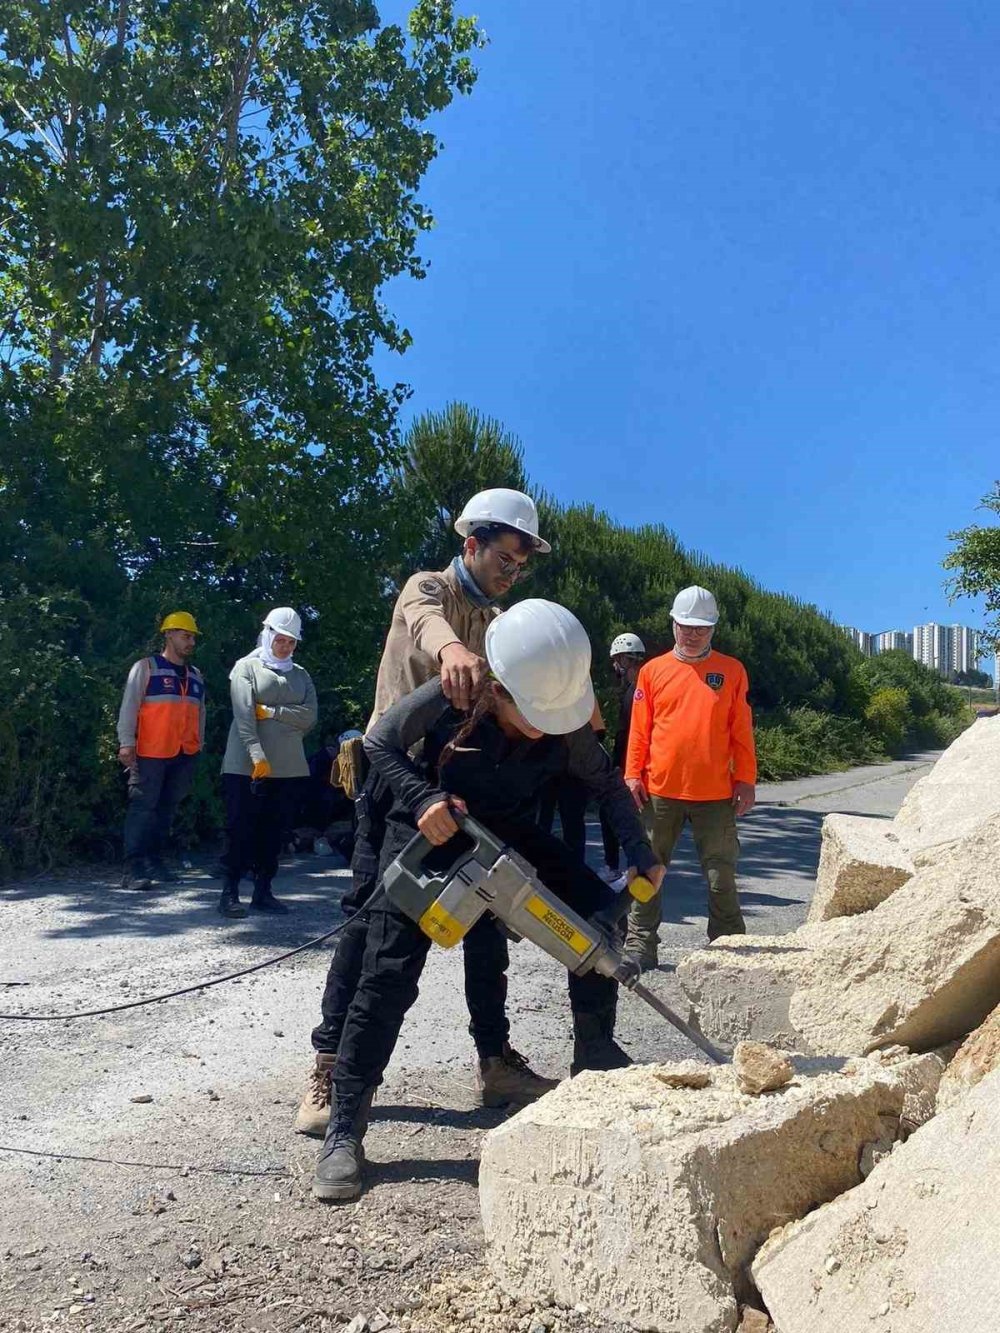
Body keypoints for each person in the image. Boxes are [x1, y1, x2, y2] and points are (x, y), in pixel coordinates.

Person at [312, 599, 666, 1201]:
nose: (546, 728)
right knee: (388, 972)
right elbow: (379, 744)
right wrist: (423, 799)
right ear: (497, 689)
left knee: (594, 910)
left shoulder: (561, 710)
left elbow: (606, 783)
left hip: (506, 828)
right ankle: (345, 1126)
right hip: (427, 829)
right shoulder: (455, 690)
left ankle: (596, 1056)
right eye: (534, 716)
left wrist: (638, 849)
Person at [295, 488, 554, 1135]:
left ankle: (495, 1062)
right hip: (391, 774)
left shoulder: (498, 624)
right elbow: (426, 624)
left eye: (521, 565)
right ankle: (328, 1065)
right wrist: (452, 651)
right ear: (472, 544)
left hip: (455, 786)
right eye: (505, 557)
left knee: (487, 915)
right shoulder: (428, 588)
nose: (511, 572)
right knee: (367, 919)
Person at [623, 587, 756, 968]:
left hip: (715, 793)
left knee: (721, 873)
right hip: (659, 790)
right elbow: (640, 729)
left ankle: (729, 944)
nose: (693, 634)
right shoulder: (653, 671)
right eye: (686, 626)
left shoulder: (731, 671)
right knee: (646, 870)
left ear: (713, 628)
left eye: (702, 627)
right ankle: (640, 943)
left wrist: (746, 778)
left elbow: (741, 730)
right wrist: (632, 773)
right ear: (674, 624)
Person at [219, 607, 318, 918]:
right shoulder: (246, 668)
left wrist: (273, 712)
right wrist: (255, 752)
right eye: (280, 640)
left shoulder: (301, 675)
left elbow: (309, 717)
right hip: (245, 765)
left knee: (274, 831)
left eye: (291, 642)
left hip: (287, 768)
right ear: (268, 635)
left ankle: (263, 892)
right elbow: (244, 713)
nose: (285, 646)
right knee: (239, 828)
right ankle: (229, 893)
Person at [116, 611, 206, 892]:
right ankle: (132, 869)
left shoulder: (195, 675)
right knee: (142, 809)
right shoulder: (147, 668)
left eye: (193, 637)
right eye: (185, 636)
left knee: (167, 810)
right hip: (150, 752)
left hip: (184, 753)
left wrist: (199, 745)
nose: (191, 642)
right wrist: (126, 742)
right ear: (168, 634)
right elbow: (129, 706)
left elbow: (200, 714)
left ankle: (156, 862)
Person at [599, 633, 647, 888]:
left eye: (617, 660)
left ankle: (617, 867)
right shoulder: (639, 686)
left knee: (614, 812)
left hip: (629, 762)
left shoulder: (635, 691)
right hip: (633, 761)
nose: (615, 665)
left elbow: (629, 732)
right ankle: (629, 865)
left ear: (624, 660)